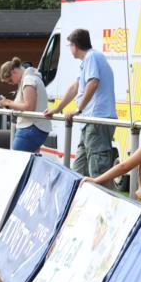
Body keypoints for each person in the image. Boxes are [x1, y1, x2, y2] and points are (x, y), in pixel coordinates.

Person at [44, 28, 117, 177]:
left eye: (70, 45)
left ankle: (100, 199)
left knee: (98, 171)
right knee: (78, 170)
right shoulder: (87, 61)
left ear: (75, 46)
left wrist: (78, 109)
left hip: (97, 120)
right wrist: (57, 109)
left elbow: (93, 82)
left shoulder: (92, 57)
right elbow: (75, 87)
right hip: (90, 122)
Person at [0, 58, 51, 153]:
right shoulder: (29, 78)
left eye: (10, 80)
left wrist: (8, 102)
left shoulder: (28, 80)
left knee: (17, 161)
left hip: (31, 127)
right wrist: (6, 104)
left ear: (14, 71)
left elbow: (29, 107)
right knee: (30, 162)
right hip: (35, 128)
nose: (11, 83)